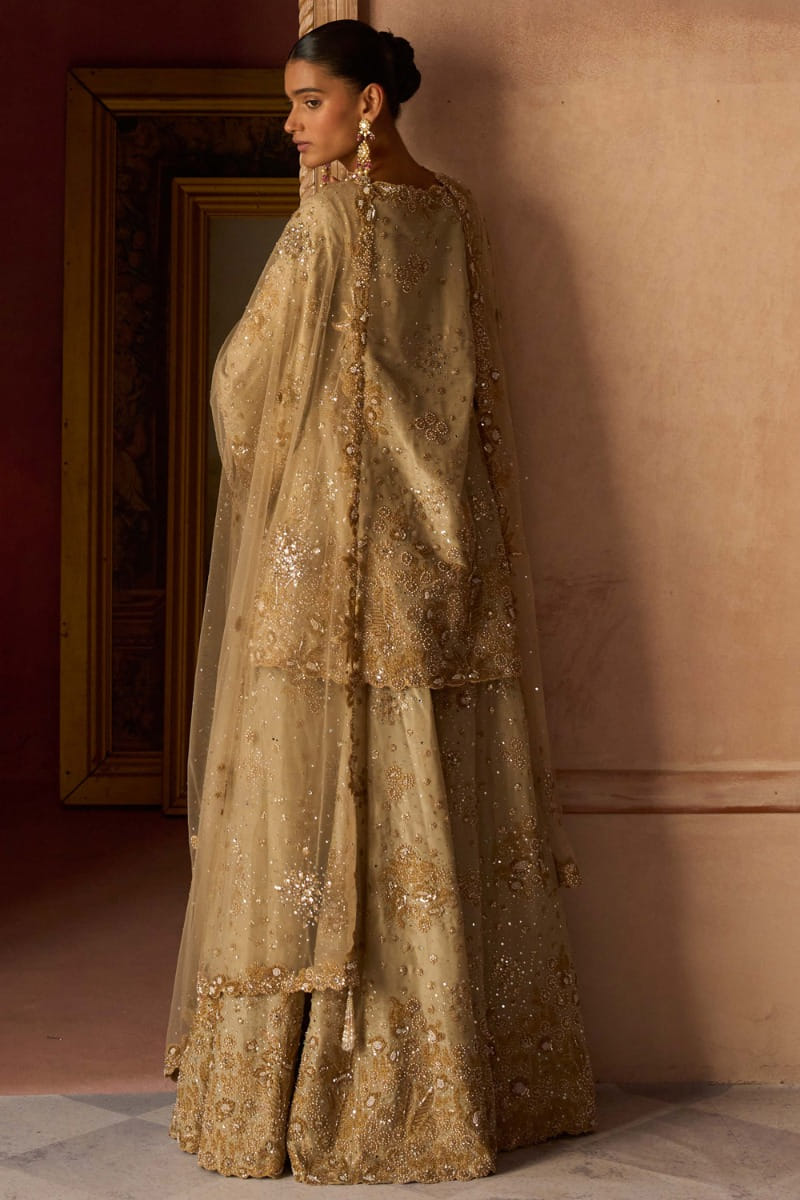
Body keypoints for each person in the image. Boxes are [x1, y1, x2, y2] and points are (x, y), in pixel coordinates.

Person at [164, 17, 596, 1184]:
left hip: (325, 547)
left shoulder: (328, 222)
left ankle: (305, 1080)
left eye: (307, 101)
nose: (289, 123)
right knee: (423, 780)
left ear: (368, 105)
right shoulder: (454, 214)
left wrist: (276, 449)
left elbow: (241, 379)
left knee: (313, 784)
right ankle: (460, 1077)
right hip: (441, 544)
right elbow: (475, 388)